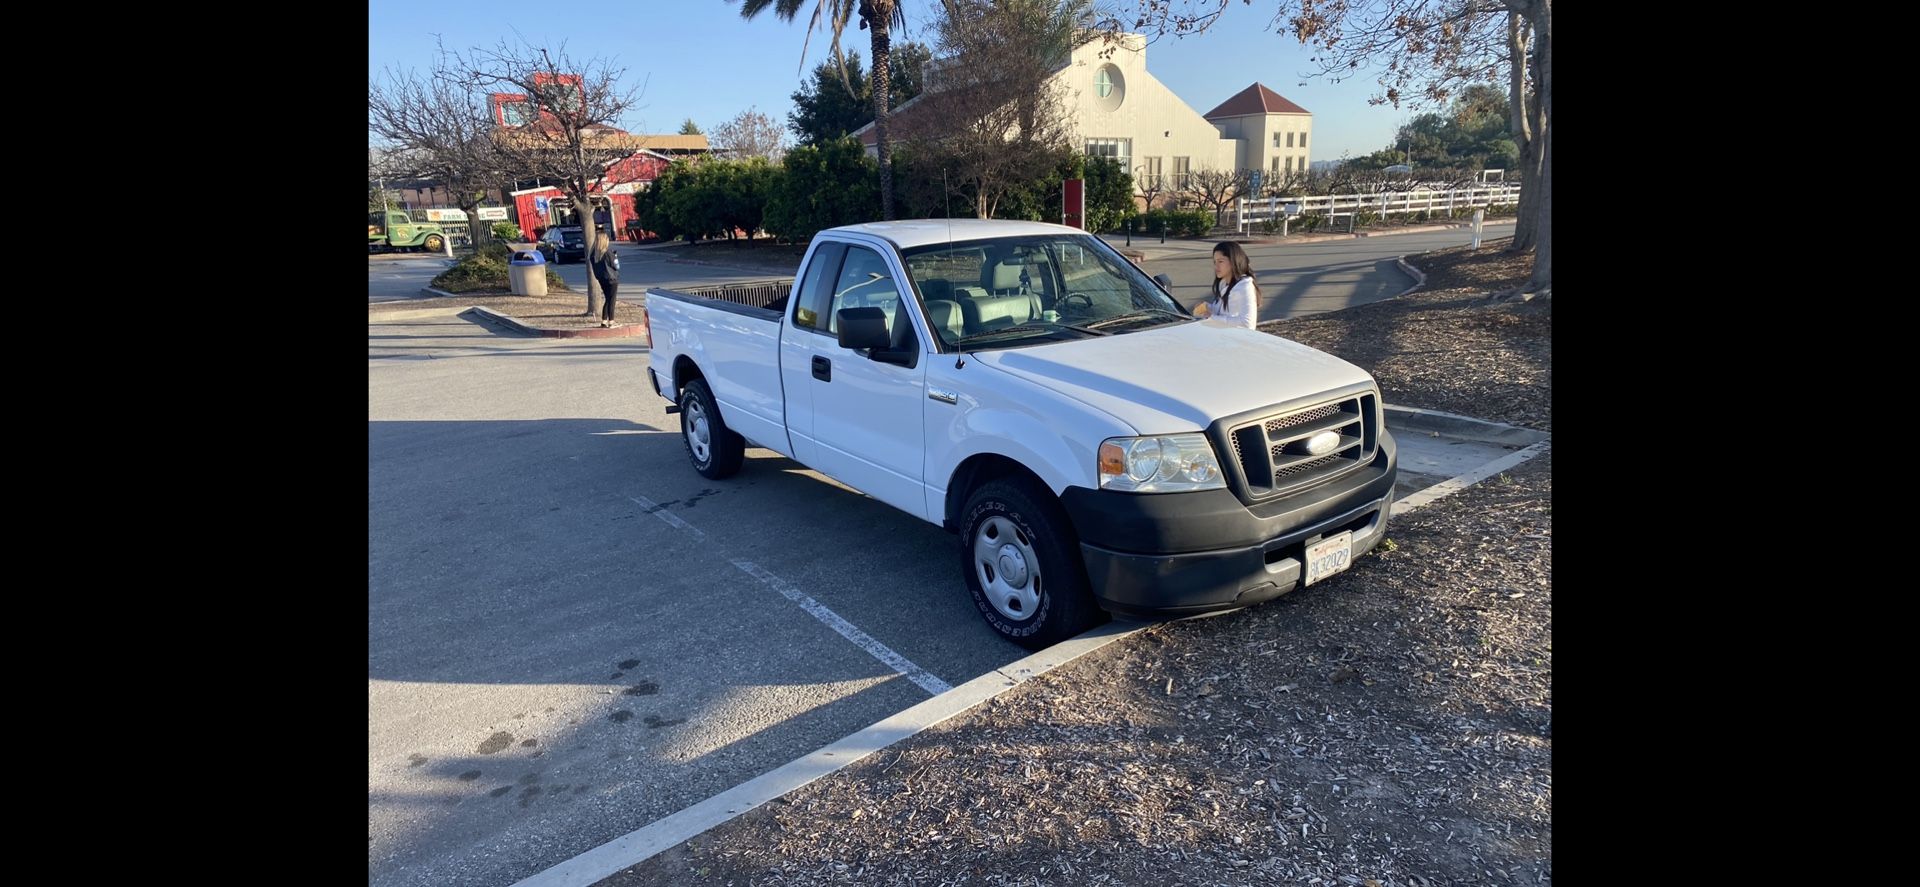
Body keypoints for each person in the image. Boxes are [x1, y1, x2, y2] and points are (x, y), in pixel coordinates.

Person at [1194, 241, 1257, 329]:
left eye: (1220, 261)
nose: (1216, 266)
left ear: (1233, 261)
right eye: (1215, 262)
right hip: (1220, 338)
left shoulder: (1245, 286)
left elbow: (1247, 323)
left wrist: (1212, 318)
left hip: (1235, 340)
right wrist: (1207, 307)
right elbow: (1222, 312)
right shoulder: (1223, 283)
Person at [590, 237, 622, 327]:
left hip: (601, 279)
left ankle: (604, 320)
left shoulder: (593, 255)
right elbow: (616, 266)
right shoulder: (608, 252)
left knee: (608, 299)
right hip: (611, 278)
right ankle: (611, 321)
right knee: (611, 300)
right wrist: (615, 256)